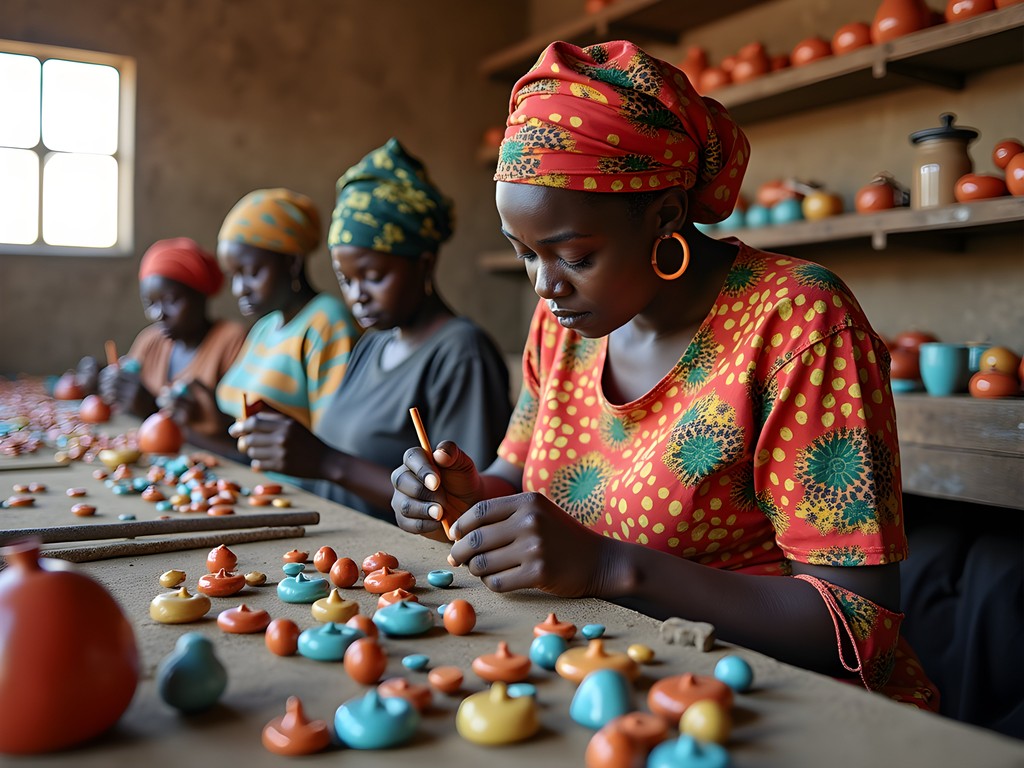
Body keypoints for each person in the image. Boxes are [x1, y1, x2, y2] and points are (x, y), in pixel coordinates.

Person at [391, 40, 939, 711]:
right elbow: (514, 476)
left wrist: (610, 566)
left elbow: (855, 625)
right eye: (524, 255)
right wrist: (461, 495)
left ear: (666, 216)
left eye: (574, 255)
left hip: (774, 704)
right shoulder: (564, 325)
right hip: (605, 677)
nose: (545, 286)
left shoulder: (800, 325)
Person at [229, 139, 512, 522]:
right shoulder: (372, 344)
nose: (356, 295)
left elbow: (462, 507)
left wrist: (327, 462)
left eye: (374, 276)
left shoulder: (461, 353)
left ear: (424, 264)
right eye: (345, 279)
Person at [214, 188, 362, 478]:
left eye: (252, 272)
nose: (238, 289)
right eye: (233, 275)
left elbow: (332, 445)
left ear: (292, 262)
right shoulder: (265, 327)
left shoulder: (327, 323)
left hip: (297, 495)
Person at [91, 237, 247, 443]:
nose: (158, 314)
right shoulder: (151, 340)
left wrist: (151, 408)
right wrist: (103, 383)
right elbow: (123, 396)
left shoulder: (232, 340)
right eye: (150, 303)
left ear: (200, 295)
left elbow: (237, 428)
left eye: (171, 300)